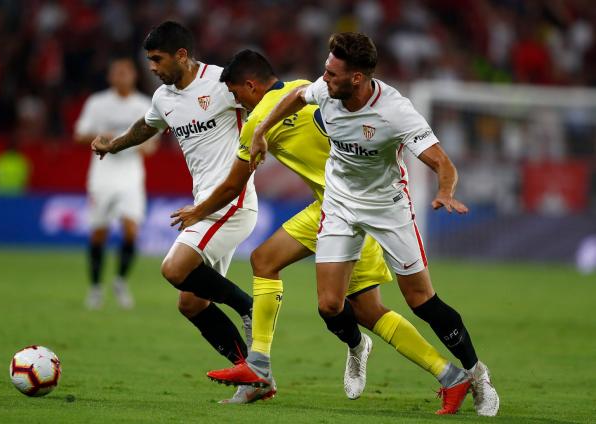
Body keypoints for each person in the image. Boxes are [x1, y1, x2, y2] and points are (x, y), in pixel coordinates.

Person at [172, 50, 474, 414]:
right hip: (330, 205)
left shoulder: (259, 121)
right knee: (279, 269)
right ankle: (265, 364)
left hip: (346, 208)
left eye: (237, 95)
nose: (238, 104)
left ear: (251, 86)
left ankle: (447, 374)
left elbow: (233, 185)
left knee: (364, 308)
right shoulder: (307, 87)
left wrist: (198, 211)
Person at [247, 33, 500, 417]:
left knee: (422, 302)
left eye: (333, 74)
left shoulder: (395, 111)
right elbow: (297, 97)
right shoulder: (325, 89)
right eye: (326, 70)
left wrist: (446, 191)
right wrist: (263, 130)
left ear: (359, 78)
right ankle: (358, 347)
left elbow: (442, 163)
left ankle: (477, 374)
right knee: (330, 306)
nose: (324, 79)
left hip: (388, 209)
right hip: (339, 205)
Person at [90, 22, 270, 404]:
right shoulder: (163, 98)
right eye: (149, 60)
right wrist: (114, 145)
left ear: (182, 56)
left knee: (173, 268)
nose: (152, 67)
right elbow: (147, 126)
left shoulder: (223, 82)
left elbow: (265, 103)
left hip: (231, 201)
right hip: (204, 201)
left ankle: (249, 308)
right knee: (191, 303)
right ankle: (255, 380)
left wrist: (261, 135)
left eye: (157, 60)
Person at [74, 57, 156, 310]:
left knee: (131, 230)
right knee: (99, 233)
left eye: (126, 73)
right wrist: (103, 138)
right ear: (111, 77)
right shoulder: (97, 103)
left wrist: (131, 142)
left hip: (131, 176)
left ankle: (120, 281)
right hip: (102, 176)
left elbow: (151, 146)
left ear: (133, 76)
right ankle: (96, 288)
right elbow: (79, 135)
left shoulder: (144, 104)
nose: (121, 77)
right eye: (117, 73)